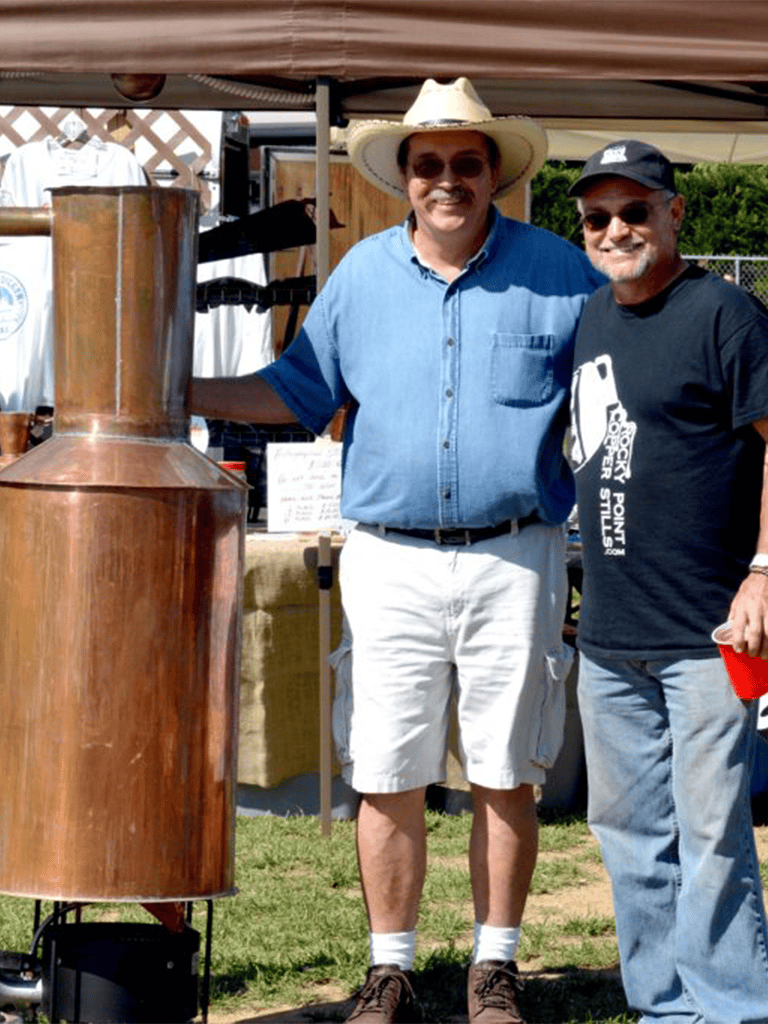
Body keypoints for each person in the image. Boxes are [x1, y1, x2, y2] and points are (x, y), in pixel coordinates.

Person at [189, 77, 603, 1024]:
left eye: (466, 163)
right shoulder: (360, 278)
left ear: (494, 172)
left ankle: (493, 969)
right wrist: (167, 383)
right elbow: (294, 392)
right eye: (429, 165)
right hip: (388, 557)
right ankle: (392, 969)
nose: (447, 180)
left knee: (508, 770)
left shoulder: (561, 272)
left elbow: (626, 385)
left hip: (517, 553)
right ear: (405, 177)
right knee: (386, 768)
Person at [568, 139, 768, 1023]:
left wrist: (763, 574)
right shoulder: (590, 319)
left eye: (635, 211)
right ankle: (662, 1007)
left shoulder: (728, 315)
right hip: (609, 637)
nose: (617, 229)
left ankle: (730, 1007)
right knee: (629, 838)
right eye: (599, 217)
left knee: (713, 837)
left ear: (674, 213)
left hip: (708, 633)